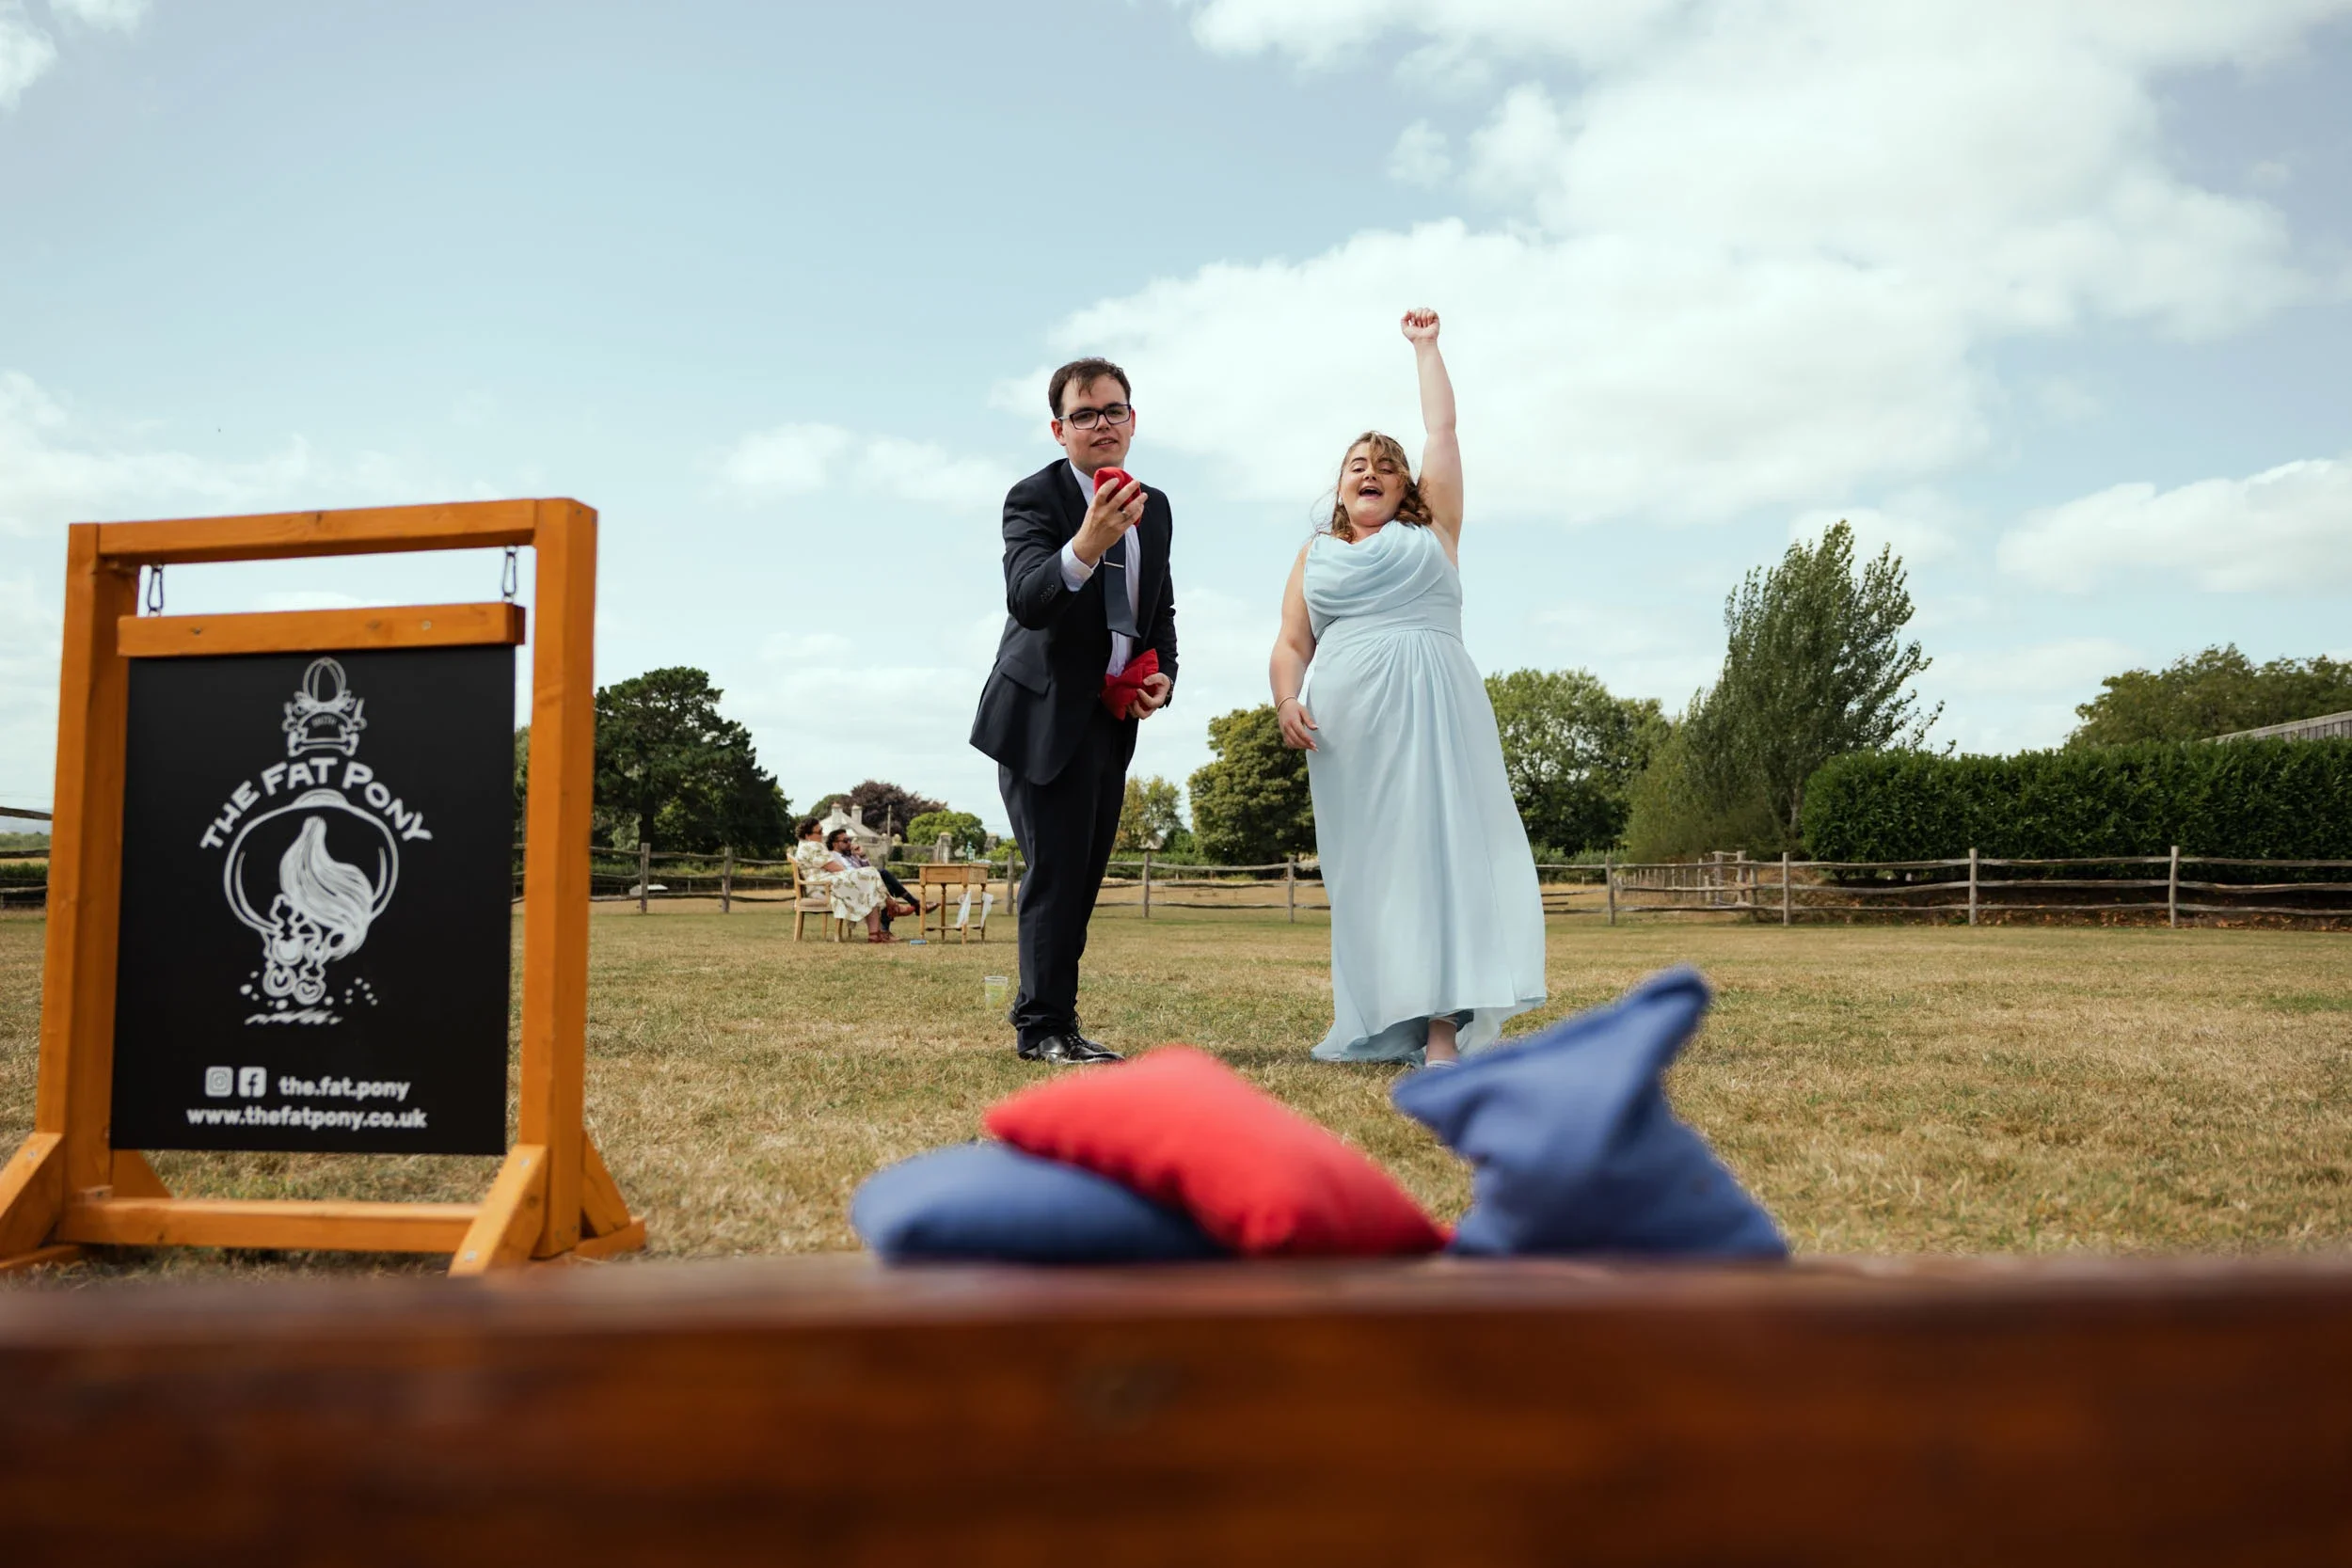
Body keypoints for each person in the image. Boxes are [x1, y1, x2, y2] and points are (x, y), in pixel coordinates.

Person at [1267, 309, 1545, 1065]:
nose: (1370, 471)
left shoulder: (1436, 534)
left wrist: (1427, 348)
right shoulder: (1315, 555)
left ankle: (1442, 1026)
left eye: (1386, 465)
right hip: (1350, 726)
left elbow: (1443, 434)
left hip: (1438, 708)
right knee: (1377, 868)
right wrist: (1288, 699)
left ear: (1407, 487)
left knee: (1446, 851)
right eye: (1358, 463)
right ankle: (1390, 1009)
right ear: (1340, 485)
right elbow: (1293, 643)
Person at [969, 356, 1177, 1065]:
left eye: (1114, 410)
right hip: (1040, 715)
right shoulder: (1034, 498)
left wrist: (1163, 673)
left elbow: (1159, 607)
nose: (1102, 425)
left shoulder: (1158, 505)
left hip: (1110, 717)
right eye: (1085, 415)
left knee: (1082, 875)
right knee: (1055, 871)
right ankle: (1042, 1028)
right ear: (1060, 430)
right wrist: (1088, 542)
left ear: (1133, 420)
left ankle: (1056, 1015)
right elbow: (1028, 599)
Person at [791, 817, 892, 943]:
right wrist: (853, 875)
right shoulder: (812, 846)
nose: (822, 834)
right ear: (808, 835)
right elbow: (834, 868)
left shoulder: (805, 846)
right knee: (870, 876)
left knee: (870, 882)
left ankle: (876, 932)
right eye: (819, 831)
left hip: (824, 884)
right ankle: (890, 908)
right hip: (823, 887)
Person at [834, 832, 921, 933]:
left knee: (888, 886)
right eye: (845, 841)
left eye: (849, 840)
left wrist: (862, 856)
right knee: (883, 872)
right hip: (852, 888)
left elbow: (868, 870)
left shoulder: (852, 855)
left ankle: (885, 930)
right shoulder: (834, 857)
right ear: (835, 843)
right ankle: (913, 904)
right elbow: (853, 874)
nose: (849, 843)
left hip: (865, 884)